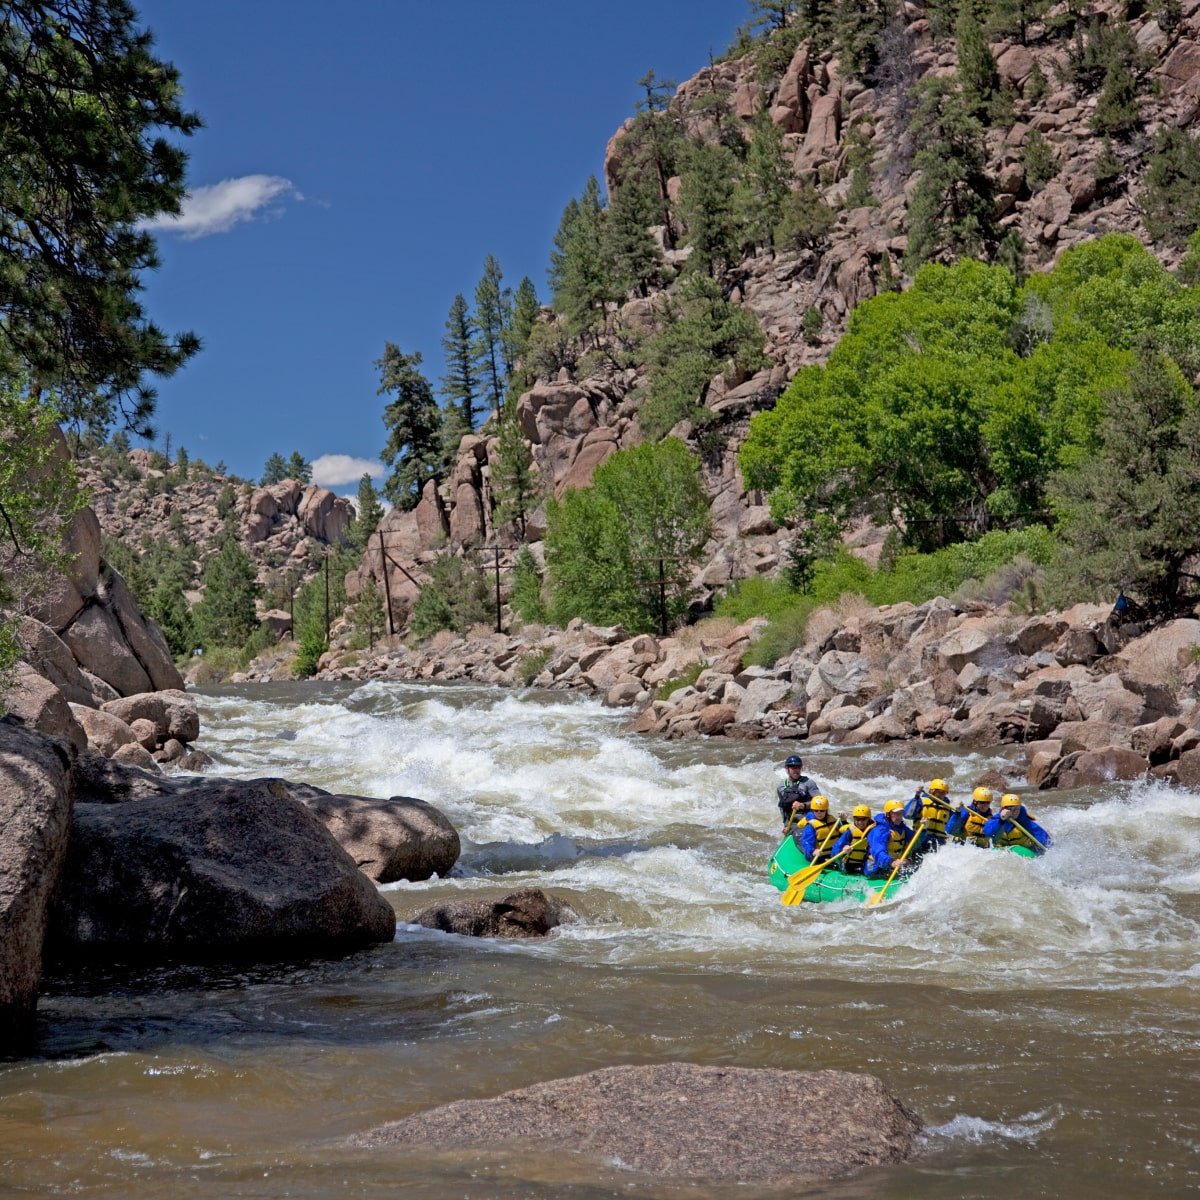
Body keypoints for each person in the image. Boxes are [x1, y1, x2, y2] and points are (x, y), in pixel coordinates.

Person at [983, 793, 1051, 854]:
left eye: (1017, 808)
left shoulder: (1024, 821)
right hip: (1001, 849)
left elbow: (1042, 836)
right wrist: (1001, 820)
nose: (1015, 812)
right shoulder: (997, 819)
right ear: (1004, 809)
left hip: (1023, 850)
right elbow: (987, 832)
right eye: (1011, 809)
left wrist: (1048, 850)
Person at [866, 800, 918, 878]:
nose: (899, 816)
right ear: (888, 814)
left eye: (901, 813)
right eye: (896, 813)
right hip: (877, 868)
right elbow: (878, 851)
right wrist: (891, 862)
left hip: (895, 866)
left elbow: (916, 841)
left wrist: (924, 829)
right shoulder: (881, 830)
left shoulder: (902, 828)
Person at [904, 777, 954, 857]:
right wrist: (917, 796)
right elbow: (908, 815)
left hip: (939, 843)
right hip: (921, 839)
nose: (941, 795)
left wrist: (958, 813)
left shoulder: (947, 807)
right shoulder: (920, 801)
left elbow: (952, 827)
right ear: (932, 791)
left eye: (944, 793)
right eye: (939, 792)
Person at [776, 754, 822, 829]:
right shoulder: (781, 786)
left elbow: (820, 802)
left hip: (809, 820)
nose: (796, 770)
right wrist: (786, 825)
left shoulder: (809, 783)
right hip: (793, 823)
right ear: (787, 768)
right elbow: (782, 808)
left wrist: (803, 806)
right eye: (793, 768)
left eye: (798, 767)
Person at [831, 804, 876, 874]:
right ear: (854, 819)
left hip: (864, 863)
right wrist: (843, 850)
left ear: (869, 819)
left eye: (863, 819)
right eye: (857, 819)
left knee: (871, 872)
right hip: (848, 864)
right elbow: (834, 850)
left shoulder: (874, 830)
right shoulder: (850, 832)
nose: (860, 822)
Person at [799, 796, 840, 864]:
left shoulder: (832, 819)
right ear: (813, 810)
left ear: (826, 810)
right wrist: (813, 851)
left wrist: (844, 821)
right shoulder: (811, 825)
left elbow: (843, 832)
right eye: (816, 810)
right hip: (818, 855)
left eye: (822, 810)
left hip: (833, 853)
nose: (819, 813)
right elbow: (806, 842)